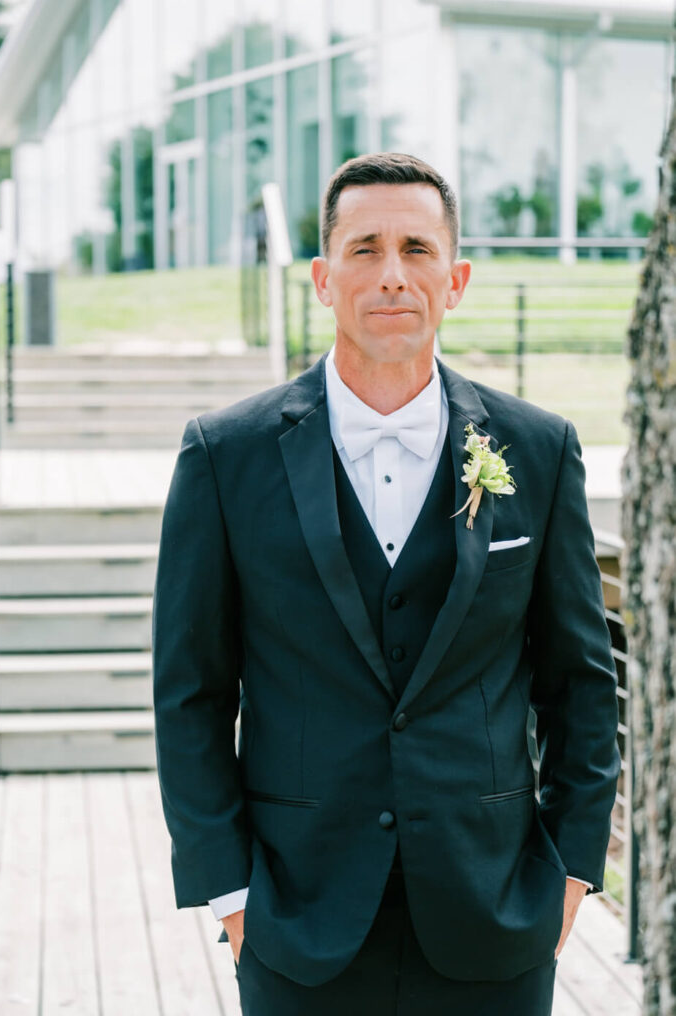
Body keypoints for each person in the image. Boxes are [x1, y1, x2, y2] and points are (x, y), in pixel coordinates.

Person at [152, 152, 621, 1015]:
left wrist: (572, 871)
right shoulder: (225, 455)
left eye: (416, 248)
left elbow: (581, 684)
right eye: (365, 249)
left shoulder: (539, 449)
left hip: (497, 913)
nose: (392, 276)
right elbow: (191, 693)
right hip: (297, 918)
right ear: (324, 279)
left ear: (458, 278)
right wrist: (231, 895)